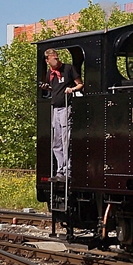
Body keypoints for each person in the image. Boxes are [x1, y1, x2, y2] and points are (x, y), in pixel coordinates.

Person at [42, 48, 82, 181]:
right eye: (53, 59)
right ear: (48, 61)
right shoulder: (50, 73)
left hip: (66, 107)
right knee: (57, 142)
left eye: (57, 58)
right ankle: (60, 170)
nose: (56, 60)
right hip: (56, 109)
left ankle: (68, 170)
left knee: (66, 140)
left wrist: (72, 89)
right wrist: (46, 88)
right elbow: (54, 89)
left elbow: (80, 84)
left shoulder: (69, 69)